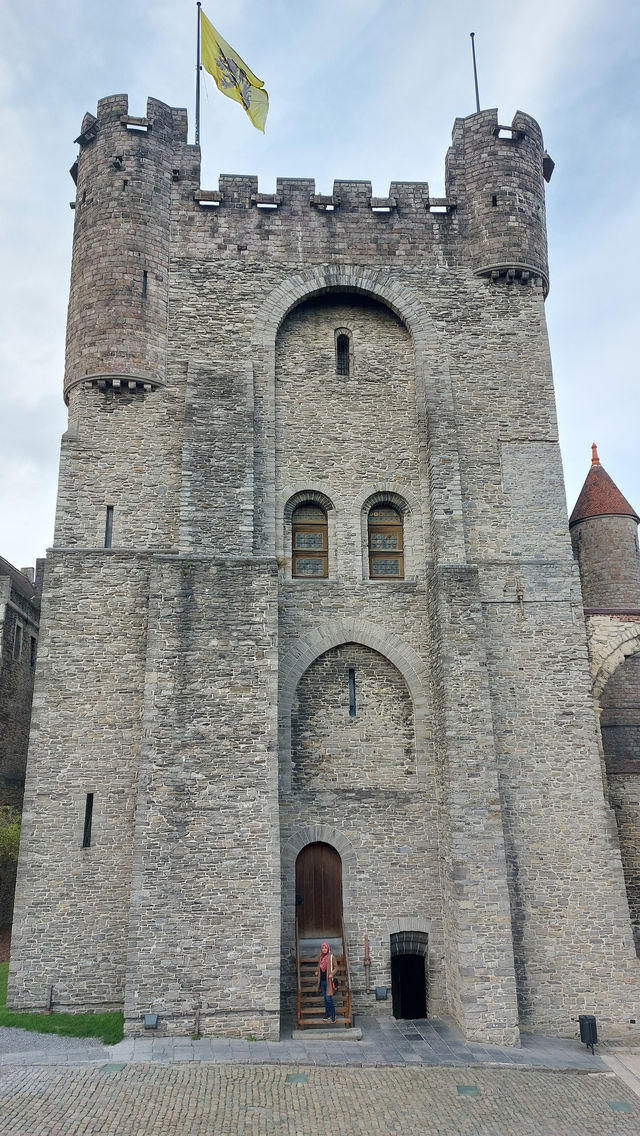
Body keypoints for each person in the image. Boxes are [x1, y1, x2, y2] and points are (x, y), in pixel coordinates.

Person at [316, 941, 337, 1023]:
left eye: (325, 948)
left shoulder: (332, 957)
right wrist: (317, 971)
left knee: (328, 999)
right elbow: (319, 967)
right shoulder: (321, 957)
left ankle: (333, 1015)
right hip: (322, 981)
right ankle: (327, 1014)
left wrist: (332, 973)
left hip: (329, 981)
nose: (324, 949)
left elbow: (336, 967)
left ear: (328, 948)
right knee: (325, 999)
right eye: (322, 948)